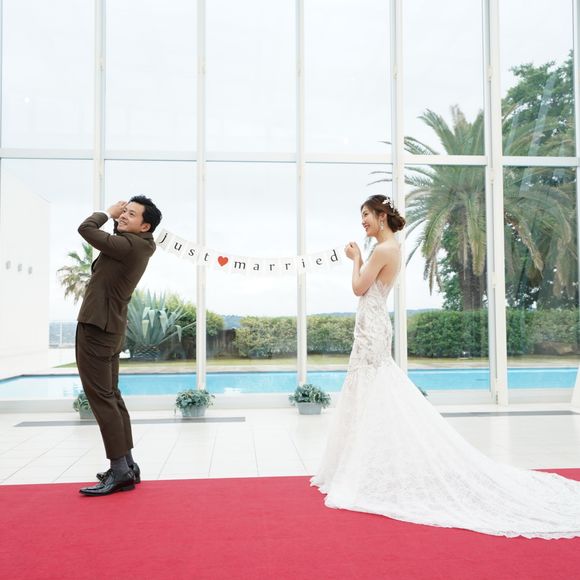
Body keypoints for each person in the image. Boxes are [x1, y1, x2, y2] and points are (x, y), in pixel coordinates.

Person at [311, 193, 580, 539]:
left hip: (372, 327)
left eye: (365, 214)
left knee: (370, 390)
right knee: (370, 390)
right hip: (373, 324)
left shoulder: (381, 250)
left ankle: (361, 468)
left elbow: (359, 287)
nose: (362, 221)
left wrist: (356, 259)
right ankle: (361, 464)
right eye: (360, 215)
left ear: (381, 216)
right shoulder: (391, 247)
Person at [76, 196, 162, 497]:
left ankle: (120, 470)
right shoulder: (138, 244)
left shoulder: (128, 245)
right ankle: (127, 465)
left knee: (103, 399)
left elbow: (86, 229)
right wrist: (118, 220)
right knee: (111, 396)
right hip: (109, 328)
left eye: (131, 214)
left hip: (97, 329)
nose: (123, 215)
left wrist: (106, 213)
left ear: (145, 226)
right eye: (123, 211)